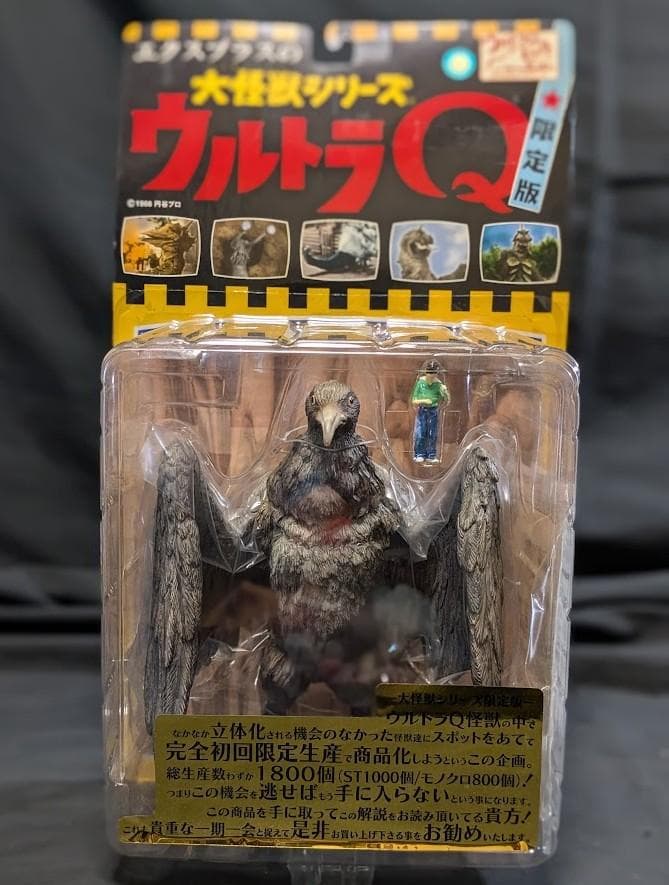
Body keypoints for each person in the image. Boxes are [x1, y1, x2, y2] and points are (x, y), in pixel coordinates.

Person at [411, 360, 450, 462]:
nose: (431, 375)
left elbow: (447, 401)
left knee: (432, 433)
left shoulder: (438, 385)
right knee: (420, 432)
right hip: (422, 410)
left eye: (433, 373)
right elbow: (414, 400)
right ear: (426, 371)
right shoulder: (421, 383)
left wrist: (445, 393)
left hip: (433, 411)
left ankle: (431, 455)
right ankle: (419, 454)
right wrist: (424, 401)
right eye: (429, 372)